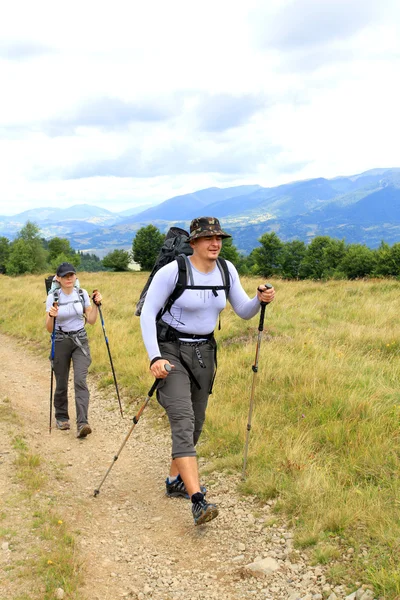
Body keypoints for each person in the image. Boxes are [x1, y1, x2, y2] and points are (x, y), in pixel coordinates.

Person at [140, 216, 275, 525]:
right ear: (194, 243)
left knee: (197, 421)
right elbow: (148, 313)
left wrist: (260, 299)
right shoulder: (173, 271)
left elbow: (243, 310)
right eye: (208, 239)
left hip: (204, 353)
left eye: (219, 239)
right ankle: (197, 499)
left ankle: (175, 481)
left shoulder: (227, 270)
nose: (216, 243)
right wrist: (154, 358)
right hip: (171, 352)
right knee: (184, 420)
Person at [45, 262, 102, 438]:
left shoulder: (82, 293)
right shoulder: (53, 296)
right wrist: (51, 316)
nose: (69, 278)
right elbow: (49, 328)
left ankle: (82, 423)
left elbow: (91, 320)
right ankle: (61, 416)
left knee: (80, 380)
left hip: (80, 341)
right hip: (60, 340)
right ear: (59, 279)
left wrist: (98, 305)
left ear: (75, 276)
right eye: (65, 276)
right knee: (61, 382)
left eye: (71, 275)